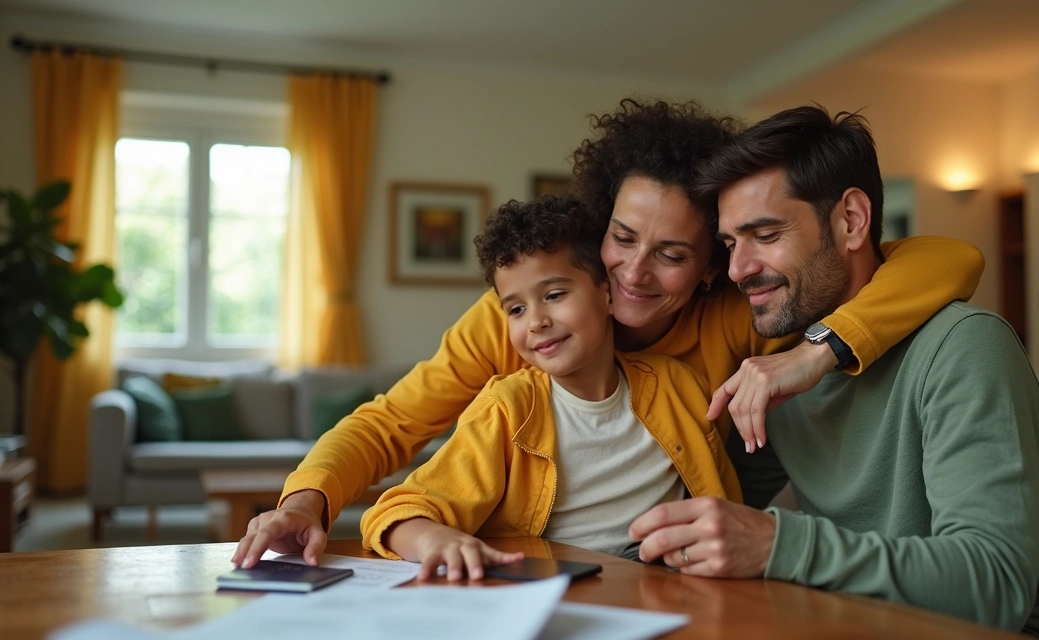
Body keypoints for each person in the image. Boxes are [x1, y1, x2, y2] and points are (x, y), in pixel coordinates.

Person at [230, 99, 985, 569]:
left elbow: (946, 258)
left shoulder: (734, 314)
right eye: (622, 239)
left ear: (711, 267)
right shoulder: (524, 325)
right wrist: (306, 503)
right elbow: (391, 422)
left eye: (673, 254)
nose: (634, 273)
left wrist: (818, 353)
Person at [628, 104, 1039, 638]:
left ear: (851, 221)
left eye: (765, 235)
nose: (737, 270)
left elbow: (996, 588)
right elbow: (715, 511)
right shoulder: (784, 370)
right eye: (729, 244)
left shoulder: (964, 346)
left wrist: (777, 545)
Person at [359, 196, 741, 580]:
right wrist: (433, 541)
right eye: (516, 309)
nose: (536, 322)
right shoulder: (506, 410)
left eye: (554, 295)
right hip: (551, 591)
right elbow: (395, 515)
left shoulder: (680, 386)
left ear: (609, 293)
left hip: (667, 589)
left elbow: (723, 503)